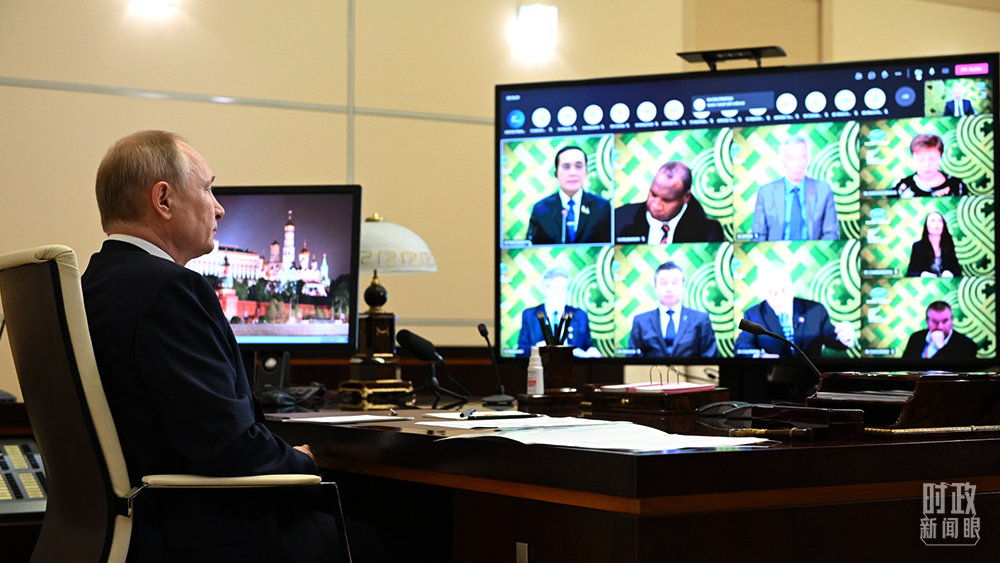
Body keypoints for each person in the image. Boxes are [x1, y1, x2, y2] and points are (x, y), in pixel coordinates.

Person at [81, 131, 360, 563]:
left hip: (132, 532)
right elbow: (226, 446)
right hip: (206, 537)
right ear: (163, 200)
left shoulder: (91, 284)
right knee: (403, 533)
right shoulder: (170, 289)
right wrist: (300, 461)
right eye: (208, 188)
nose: (219, 207)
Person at [734, 265, 855, 358]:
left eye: (783, 289)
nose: (779, 295)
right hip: (772, 377)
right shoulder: (753, 314)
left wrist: (846, 337)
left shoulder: (815, 310)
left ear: (791, 286)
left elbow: (835, 340)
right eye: (772, 291)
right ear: (763, 292)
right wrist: (760, 356)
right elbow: (741, 349)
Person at [751, 136, 839, 241]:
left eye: (802, 157)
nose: (797, 164)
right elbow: (758, 235)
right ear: (782, 161)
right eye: (791, 158)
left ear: (808, 160)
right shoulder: (766, 192)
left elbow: (831, 233)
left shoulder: (823, 190)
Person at [614, 161, 723, 244]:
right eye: (653, 194)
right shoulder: (619, 220)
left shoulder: (707, 232)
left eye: (667, 200)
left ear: (686, 197)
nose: (656, 205)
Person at [628, 261, 716, 358]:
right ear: (655, 287)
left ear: (683, 286)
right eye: (664, 283)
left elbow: (710, 357)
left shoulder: (701, 319)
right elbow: (632, 359)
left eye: (674, 282)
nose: (669, 288)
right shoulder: (641, 321)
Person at [526, 145, 612, 245]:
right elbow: (532, 247)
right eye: (566, 167)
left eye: (578, 166)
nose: (573, 173)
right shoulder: (541, 209)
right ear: (556, 173)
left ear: (586, 172)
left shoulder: (602, 207)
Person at [517, 267, 600, 358]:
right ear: (546, 288)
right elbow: (521, 351)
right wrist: (537, 349)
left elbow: (587, 346)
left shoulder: (580, 315)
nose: (563, 293)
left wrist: (592, 350)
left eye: (565, 288)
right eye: (558, 288)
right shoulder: (530, 315)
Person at [893, 134, 967, 198]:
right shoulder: (901, 186)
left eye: (932, 159)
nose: (927, 165)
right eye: (921, 159)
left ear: (940, 157)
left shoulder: (957, 186)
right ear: (913, 158)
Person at [901, 301, 977, 360]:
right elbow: (905, 367)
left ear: (952, 320)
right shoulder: (916, 338)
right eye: (935, 322)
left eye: (945, 321)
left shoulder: (967, 345)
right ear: (927, 321)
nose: (940, 326)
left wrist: (941, 348)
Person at [906, 211, 962, 278]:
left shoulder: (949, 244)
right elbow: (910, 273)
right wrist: (922, 274)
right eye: (933, 221)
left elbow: (957, 271)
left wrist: (950, 274)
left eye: (940, 221)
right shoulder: (918, 246)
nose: (937, 224)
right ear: (926, 225)